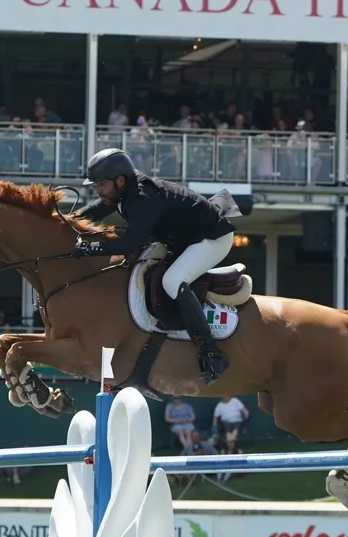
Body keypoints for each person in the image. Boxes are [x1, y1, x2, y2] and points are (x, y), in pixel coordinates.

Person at [72, 148, 238, 382]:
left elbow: (129, 243)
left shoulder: (143, 197)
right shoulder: (124, 189)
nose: (98, 190)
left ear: (120, 180)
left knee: (172, 281)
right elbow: (98, 209)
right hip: (186, 238)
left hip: (212, 239)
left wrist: (90, 249)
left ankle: (210, 352)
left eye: (100, 184)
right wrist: (68, 220)